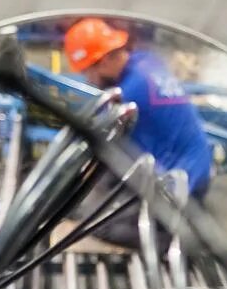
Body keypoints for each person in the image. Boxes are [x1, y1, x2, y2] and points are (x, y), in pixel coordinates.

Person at [63, 18, 213, 249]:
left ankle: (180, 240)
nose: (87, 79)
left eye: (87, 71)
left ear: (102, 62)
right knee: (104, 182)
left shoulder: (125, 97)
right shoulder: (146, 61)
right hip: (197, 164)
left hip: (181, 186)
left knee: (97, 223)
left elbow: (100, 145)